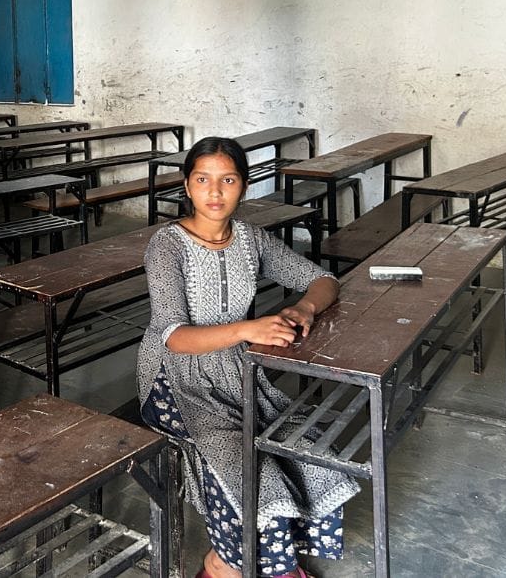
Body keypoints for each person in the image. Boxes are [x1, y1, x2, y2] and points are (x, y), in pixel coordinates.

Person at [137, 137, 359, 578]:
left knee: (309, 448)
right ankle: (232, 566)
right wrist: (247, 330)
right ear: (186, 185)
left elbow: (322, 280)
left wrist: (303, 308)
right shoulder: (168, 246)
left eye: (227, 180)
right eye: (203, 179)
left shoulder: (251, 240)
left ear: (244, 186)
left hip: (238, 372)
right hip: (175, 381)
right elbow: (173, 336)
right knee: (248, 473)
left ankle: (246, 562)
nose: (214, 192)